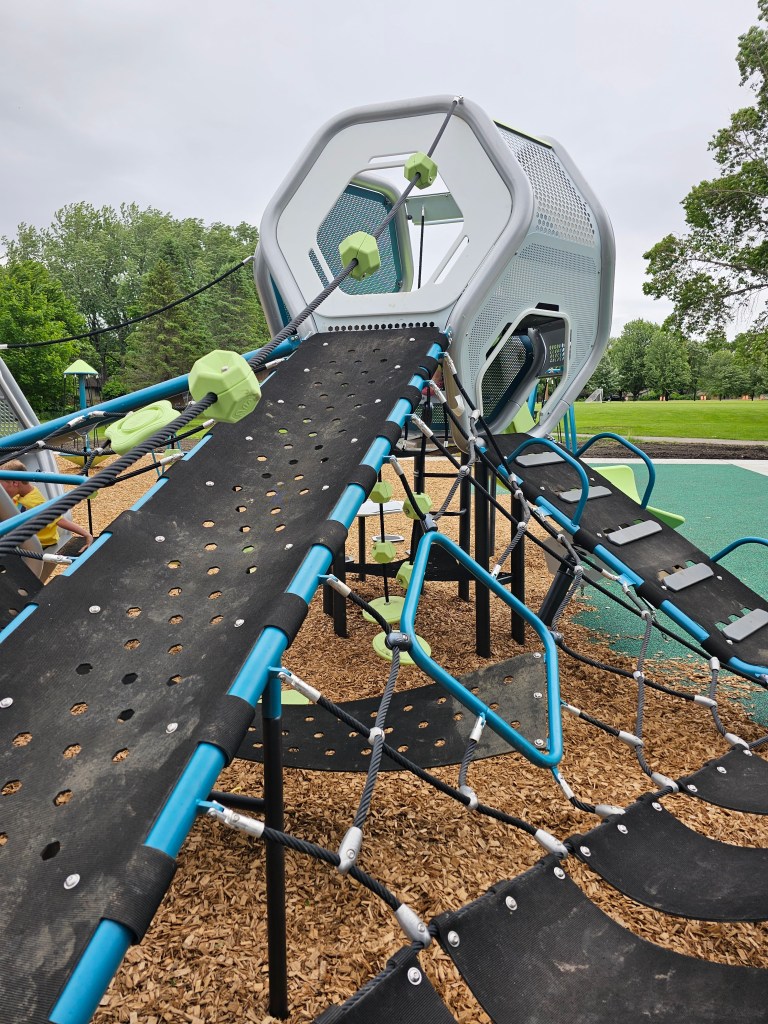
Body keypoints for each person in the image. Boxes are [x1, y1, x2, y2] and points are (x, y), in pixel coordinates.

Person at [0, 459, 93, 578]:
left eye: (2, 487)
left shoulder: (34, 502)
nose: (2, 492)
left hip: (40, 543)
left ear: (15, 483)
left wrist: (86, 534)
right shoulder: (24, 493)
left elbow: (59, 520)